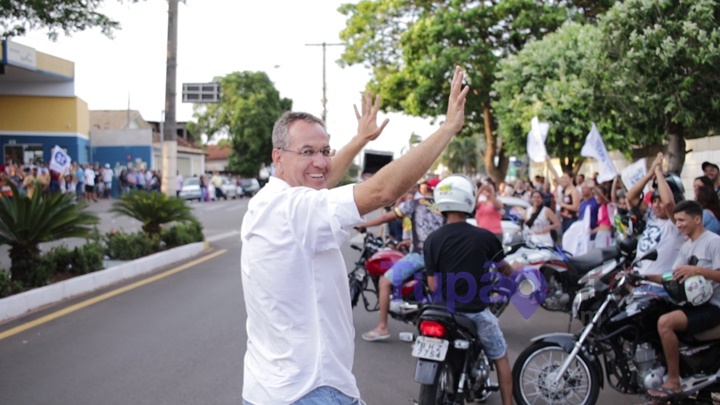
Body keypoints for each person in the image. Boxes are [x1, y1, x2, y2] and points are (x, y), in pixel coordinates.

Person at [240, 67, 469, 405]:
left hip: (277, 388)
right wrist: (447, 129)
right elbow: (381, 191)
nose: (320, 160)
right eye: (307, 151)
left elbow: (320, 178)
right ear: (277, 157)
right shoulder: (290, 207)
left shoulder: (273, 201)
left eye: (325, 151)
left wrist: (359, 140)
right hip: (308, 391)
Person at [423, 174, 513, 405]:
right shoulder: (485, 237)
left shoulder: (432, 239)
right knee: (501, 356)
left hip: (441, 312)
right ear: (469, 201)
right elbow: (504, 269)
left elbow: (433, 285)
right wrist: (519, 272)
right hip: (475, 312)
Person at [642, 200, 720, 400]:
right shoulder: (687, 246)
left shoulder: (713, 241)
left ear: (697, 219)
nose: (678, 224)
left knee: (665, 323)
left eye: (681, 220)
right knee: (652, 312)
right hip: (693, 303)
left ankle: (674, 381)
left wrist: (697, 270)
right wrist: (642, 275)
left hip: (713, 306)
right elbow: (671, 276)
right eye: (676, 220)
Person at [358, 173, 445, 341]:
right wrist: (409, 239)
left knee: (385, 281)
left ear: (424, 188)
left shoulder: (414, 204)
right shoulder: (444, 208)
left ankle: (382, 326)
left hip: (420, 256)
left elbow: (385, 217)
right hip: (440, 258)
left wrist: (363, 224)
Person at [627, 153, 684, 277]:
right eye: (654, 201)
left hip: (659, 287)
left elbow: (669, 203)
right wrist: (650, 174)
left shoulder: (677, 222)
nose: (657, 205)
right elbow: (630, 197)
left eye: (660, 201)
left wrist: (658, 173)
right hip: (639, 281)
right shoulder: (651, 215)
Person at [546, 157, 580, 235]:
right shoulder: (564, 188)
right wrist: (549, 162)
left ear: (571, 179)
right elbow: (555, 174)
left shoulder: (574, 191)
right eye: (562, 178)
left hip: (571, 220)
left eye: (565, 178)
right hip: (564, 219)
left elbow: (576, 207)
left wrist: (562, 204)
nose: (563, 180)